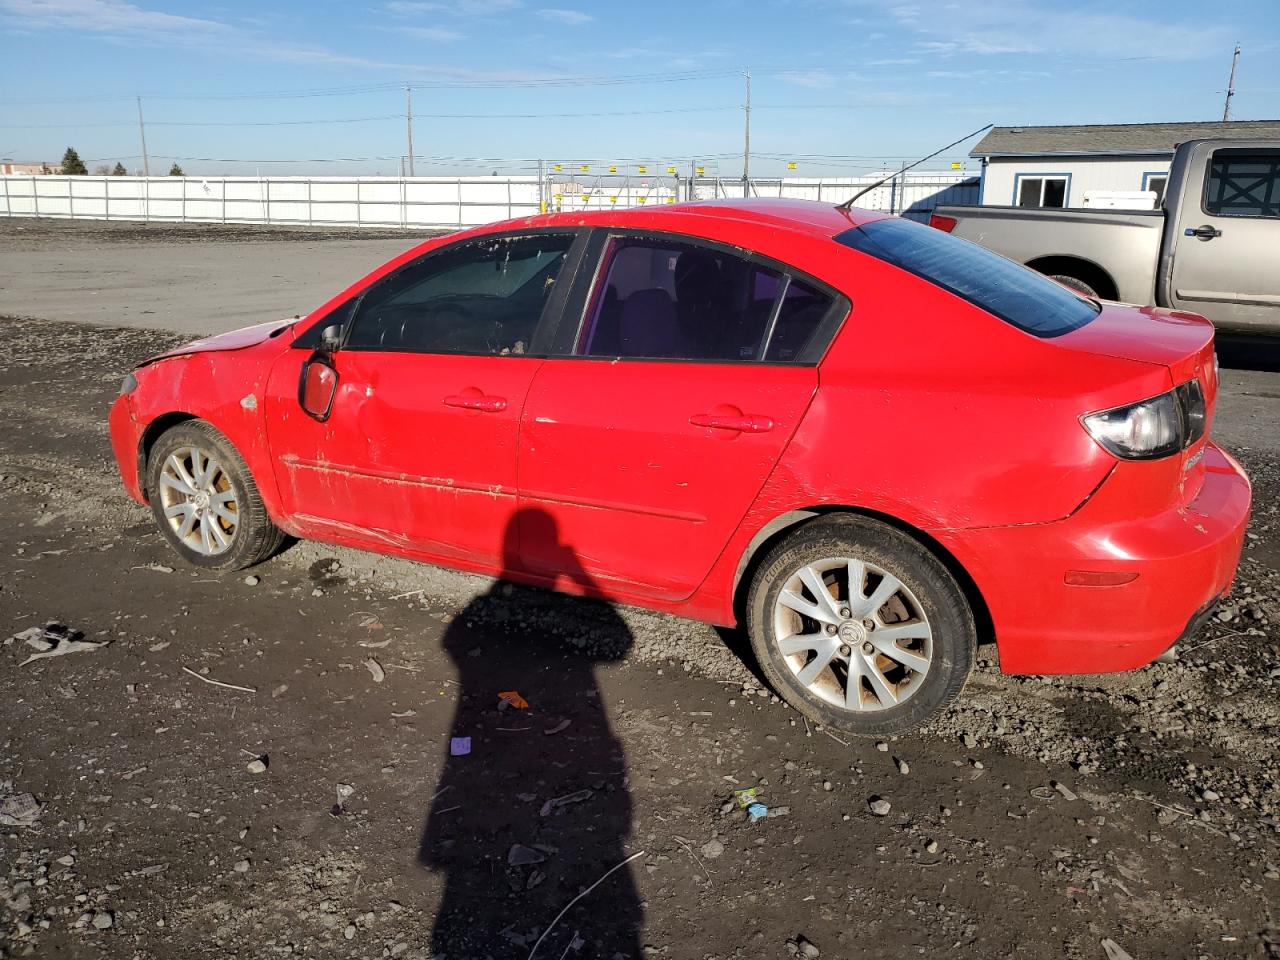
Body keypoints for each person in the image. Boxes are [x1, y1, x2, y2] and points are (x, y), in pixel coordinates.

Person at [419, 507, 642, 958]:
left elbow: (456, 642)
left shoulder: (474, 613)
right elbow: (620, 643)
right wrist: (579, 573)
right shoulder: (479, 613)